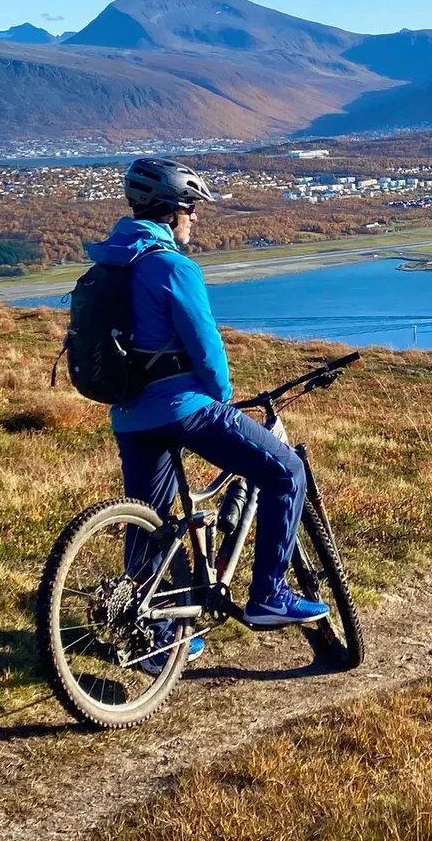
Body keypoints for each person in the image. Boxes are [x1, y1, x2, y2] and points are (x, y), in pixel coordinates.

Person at [89, 157, 328, 668]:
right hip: (182, 409)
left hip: (129, 415)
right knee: (286, 470)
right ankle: (269, 595)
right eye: (191, 208)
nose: (195, 218)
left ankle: (153, 634)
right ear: (172, 210)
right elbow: (207, 349)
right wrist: (221, 394)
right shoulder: (172, 267)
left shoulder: (112, 263)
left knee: (150, 521)